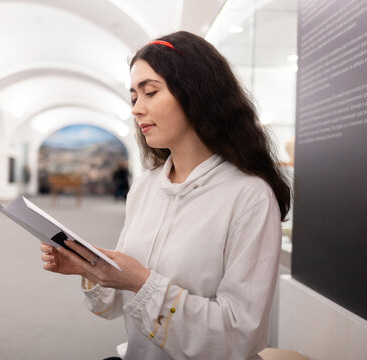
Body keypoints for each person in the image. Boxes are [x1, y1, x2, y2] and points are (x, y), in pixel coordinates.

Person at [40, 31, 291, 360]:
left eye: (150, 92)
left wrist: (143, 281)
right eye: (134, 97)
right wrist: (91, 268)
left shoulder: (248, 196)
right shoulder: (146, 187)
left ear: (196, 93)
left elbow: (238, 336)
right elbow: (119, 304)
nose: (137, 109)